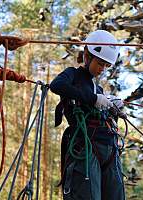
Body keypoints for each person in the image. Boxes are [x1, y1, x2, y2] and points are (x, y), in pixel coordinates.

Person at [50, 30, 126, 200]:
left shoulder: (98, 89)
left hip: (109, 148)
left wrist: (113, 108)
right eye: (100, 63)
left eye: (106, 66)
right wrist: (92, 99)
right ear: (87, 55)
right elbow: (56, 85)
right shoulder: (73, 75)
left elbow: (100, 108)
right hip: (85, 147)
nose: (102, 69)